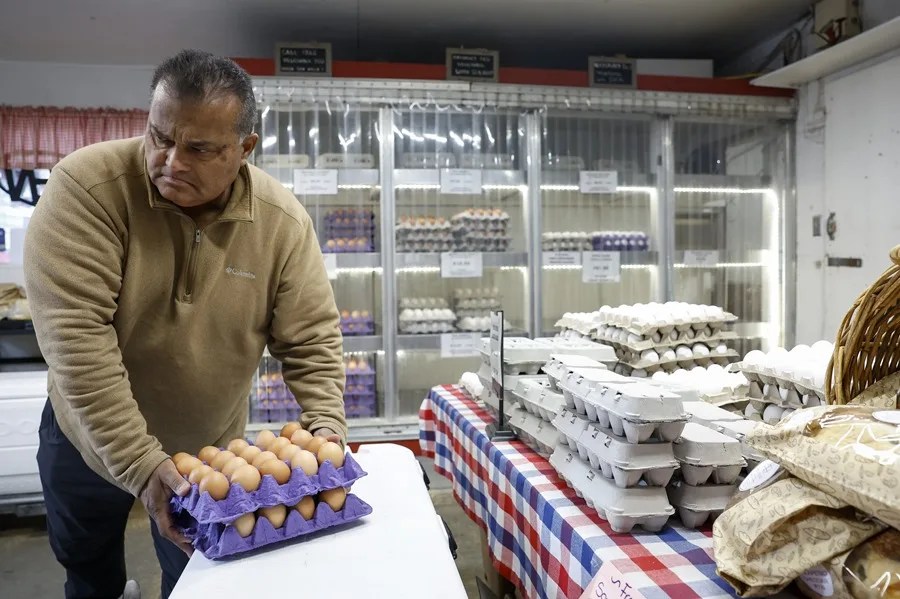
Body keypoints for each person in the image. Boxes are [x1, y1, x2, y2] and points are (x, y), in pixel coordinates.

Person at [23, 49, 347, 599]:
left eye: (199, 148)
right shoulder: (87, 188)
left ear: (245, 149)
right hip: (88, 439)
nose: (171, 161)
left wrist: (327, 429)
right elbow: (78, 346)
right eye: (159, 137)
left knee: (196, 581)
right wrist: (141, 464)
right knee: (88, 571)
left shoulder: (281, 222)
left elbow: (311, 338)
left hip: (205, 448)